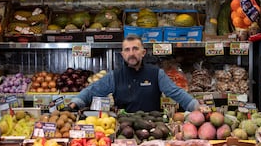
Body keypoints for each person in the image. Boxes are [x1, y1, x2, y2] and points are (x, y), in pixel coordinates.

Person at [69, 34, 199, 112]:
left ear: (143, 53)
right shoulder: (115, 76)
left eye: (135, 49)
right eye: (127, 50)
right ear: (122, 54)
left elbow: (176, 92)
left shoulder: (156, 74)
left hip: (153, 126)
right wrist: (74, 103)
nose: (131, 53)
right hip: (125, 129)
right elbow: (92, 90)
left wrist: (196, 106)